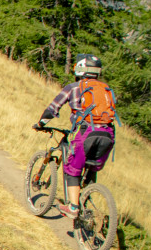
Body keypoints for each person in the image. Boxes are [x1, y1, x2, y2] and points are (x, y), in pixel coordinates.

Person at [33, 54, 117, 219]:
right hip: (108, 135)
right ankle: (86, 197)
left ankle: (73, 207)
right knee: (91, 166)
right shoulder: (105, 89)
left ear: (80, 69)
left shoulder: (73, 87)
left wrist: (41, 123)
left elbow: (53, 108)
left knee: (72, 169)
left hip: (87, 133)